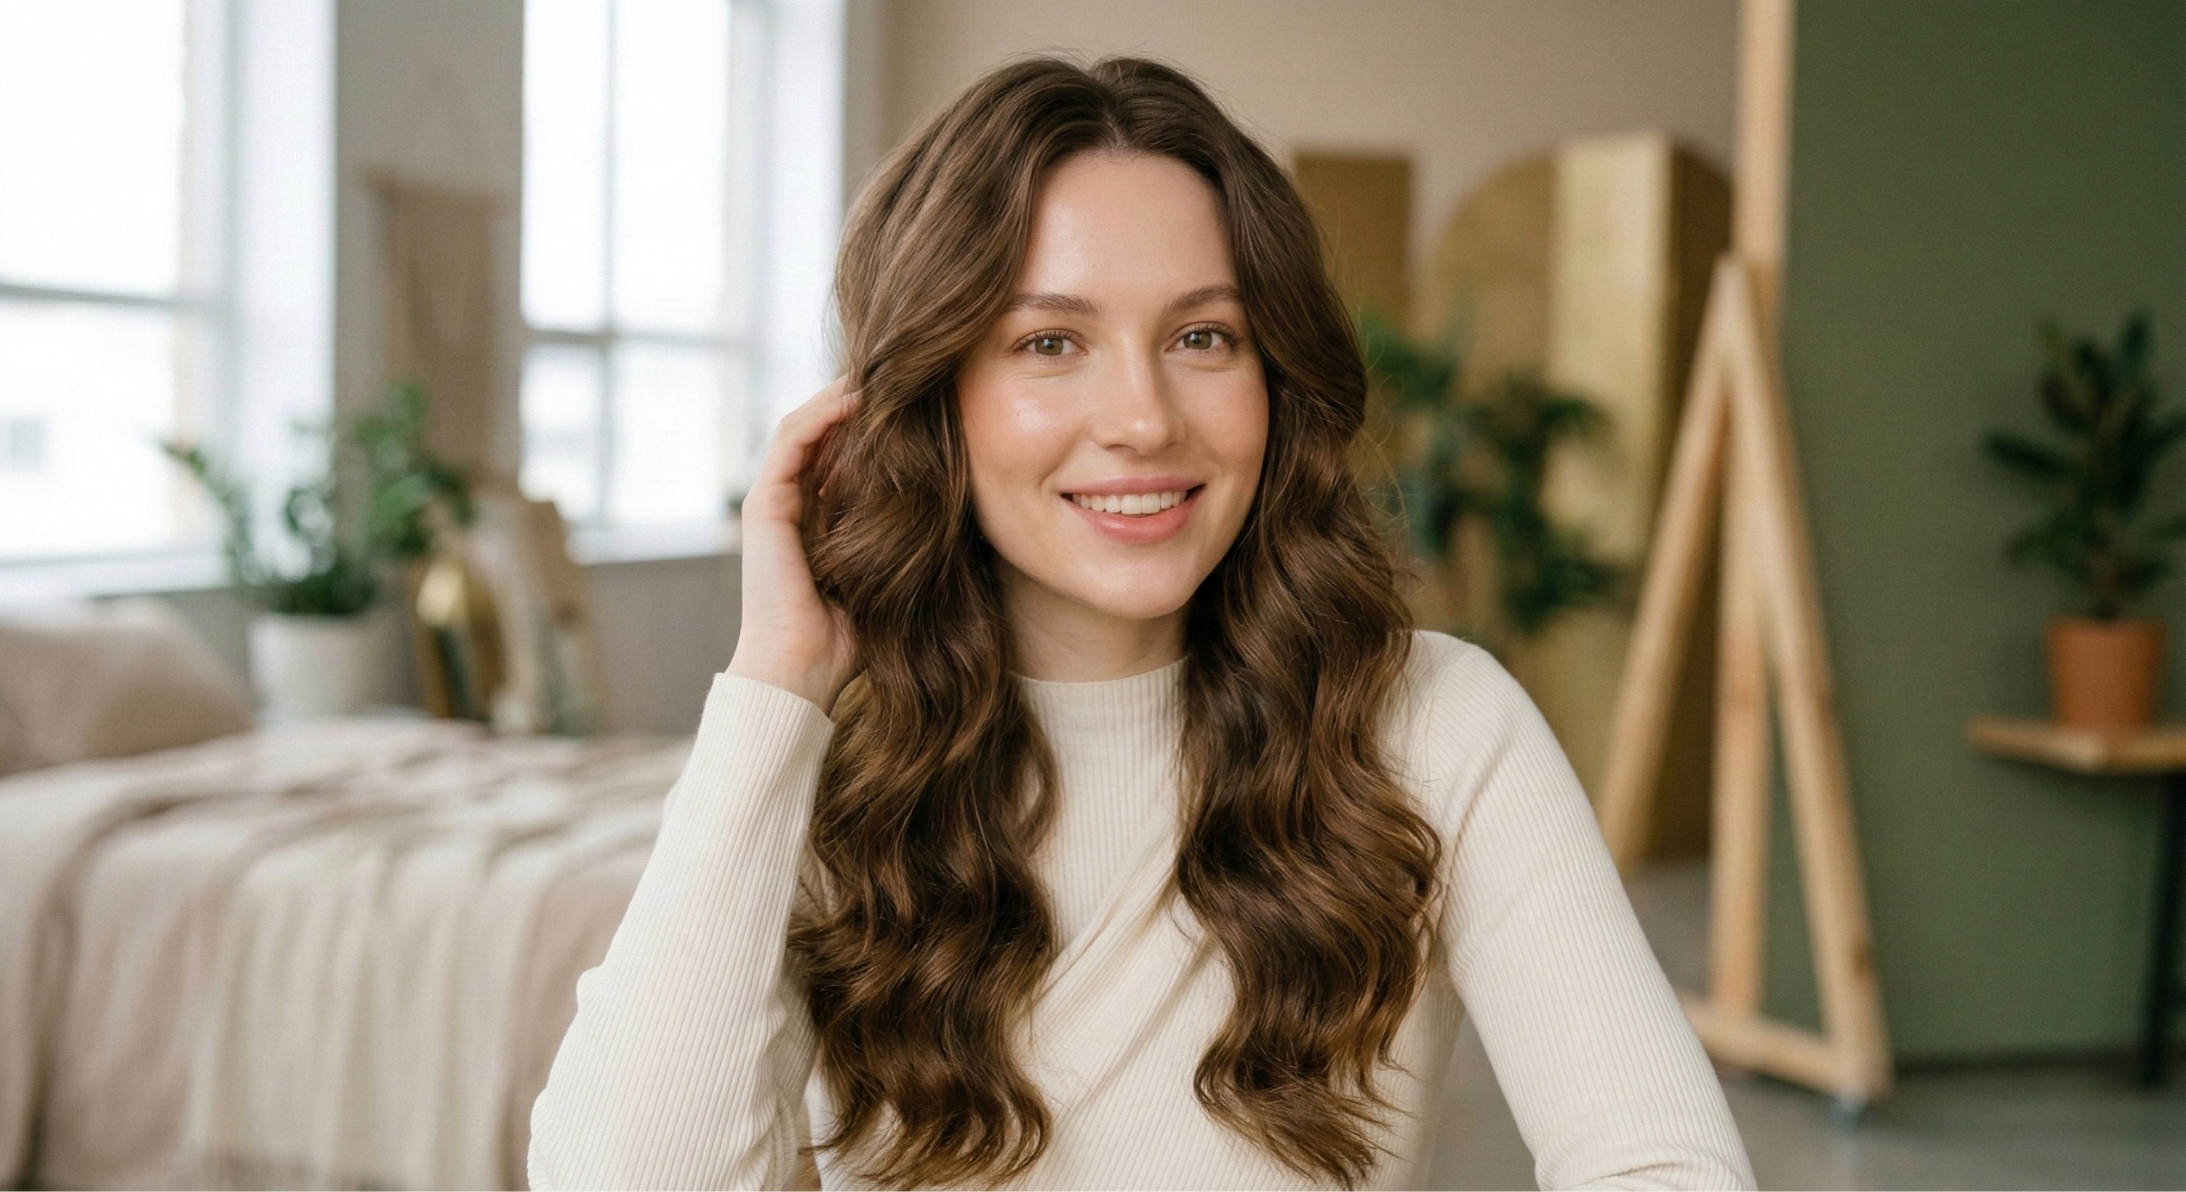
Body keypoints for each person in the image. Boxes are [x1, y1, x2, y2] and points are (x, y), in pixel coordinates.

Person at [528, 57, 1754, 1191]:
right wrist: (775, 684)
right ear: (926, 395)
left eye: (1202, 337)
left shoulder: (1435, 722)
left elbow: (1662, 1164)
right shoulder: (821, 763)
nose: (1142, 417)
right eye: (1049, 340)